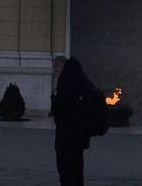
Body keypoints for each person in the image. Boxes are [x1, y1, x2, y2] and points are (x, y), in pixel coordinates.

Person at [52, 56, 91, 186]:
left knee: (65, 169)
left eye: (56, 67)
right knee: (77, 167)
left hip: (66, 136)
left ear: (62, 66)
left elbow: (59, 110)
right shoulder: (83, 81)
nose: (55, 70)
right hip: (79, 136)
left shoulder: (65, 83)